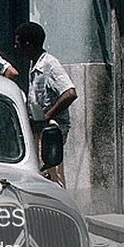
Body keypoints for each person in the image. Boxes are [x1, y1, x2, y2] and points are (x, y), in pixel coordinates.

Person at [14, 21, 77, 186]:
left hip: (52, 130)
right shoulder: (34, 63)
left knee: (53, 174)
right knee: (42, 173)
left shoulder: (49, 64)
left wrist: (47, 116)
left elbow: (70, 93)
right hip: (39, 129)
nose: (16, 46)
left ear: (28, 44)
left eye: (18, 42)